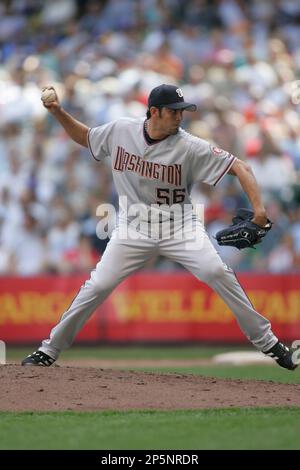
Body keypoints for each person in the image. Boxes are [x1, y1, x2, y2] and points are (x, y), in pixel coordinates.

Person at [22, 84, 298, 370]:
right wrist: (58, 112)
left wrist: (260, 211)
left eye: (183, 111)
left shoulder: (189, 145)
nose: (180, 117)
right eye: (174, 112)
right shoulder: (122, 131)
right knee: (98, 285)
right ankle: (49, 350)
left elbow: (242, 167)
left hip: (180, 227)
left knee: (217, 271)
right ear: (154, 112)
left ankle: (270, 344)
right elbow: (86, 137)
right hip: (133, 228)